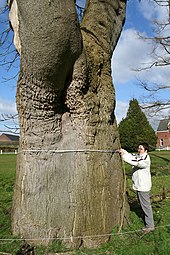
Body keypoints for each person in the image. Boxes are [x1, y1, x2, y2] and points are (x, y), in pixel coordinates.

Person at [117, 143, 155, 233]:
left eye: (141, 149)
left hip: (143, 187)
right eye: (138, 148)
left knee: (146, 206)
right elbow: (131, 156)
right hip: (139, 186)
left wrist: (123, 157)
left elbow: (136, 162)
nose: (139, 150)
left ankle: (150, 226)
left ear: (146, 150)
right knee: (143, 205)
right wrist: (122, 151)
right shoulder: (139, 156)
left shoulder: (145, 159)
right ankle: (146, 220)